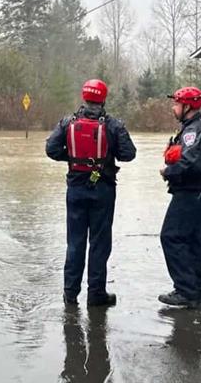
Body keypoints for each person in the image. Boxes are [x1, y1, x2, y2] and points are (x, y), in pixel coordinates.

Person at [46, 79, 136, 308]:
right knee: (99, 243)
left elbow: (51, 149)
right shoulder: (114, 125)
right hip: (103, 189)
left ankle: (70, 294)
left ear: (83, 97)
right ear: (104, 99)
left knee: (75, 242)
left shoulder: (68, 122)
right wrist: (104, 157)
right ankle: (96, 295)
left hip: (75, 189)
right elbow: (129, 154)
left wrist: (74, 158)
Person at [158, 87, 201, 309]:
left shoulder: (195, 130)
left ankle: (185, 290)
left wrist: (168, 172)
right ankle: (194, 293)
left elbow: (191, 163)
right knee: (193, 241)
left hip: (189, 193)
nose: (173, 108)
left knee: (170, 236)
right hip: (195, 193)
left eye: (176, 104)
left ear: (187, 107)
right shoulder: (194, 128)